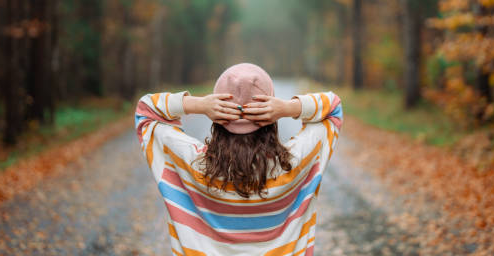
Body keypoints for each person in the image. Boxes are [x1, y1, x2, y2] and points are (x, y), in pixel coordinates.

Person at [134, 63, 343, 256]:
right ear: (271, 117)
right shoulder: (296, 162)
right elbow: (333, 108)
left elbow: (145, 111)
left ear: (216, 118)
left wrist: (199, 104)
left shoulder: (191, 163)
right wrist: (287, 108)